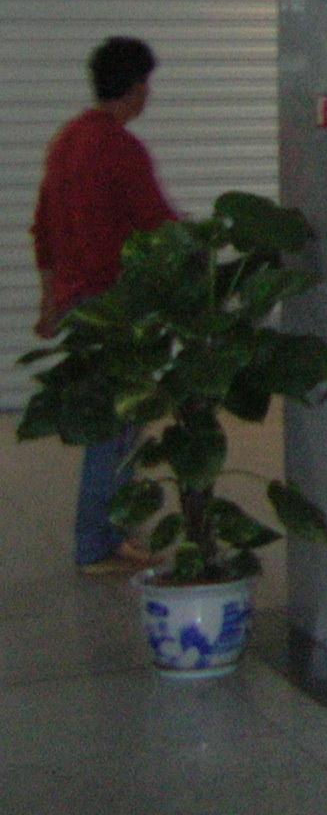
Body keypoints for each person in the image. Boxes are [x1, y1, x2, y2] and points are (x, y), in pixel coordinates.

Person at [31, 37, 177, 576]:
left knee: (109, 422)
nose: (148, 94)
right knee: (114, 429)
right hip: (114, 303)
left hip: (79, 303)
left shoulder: (67, 141)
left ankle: (109, 532)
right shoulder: (119, 148)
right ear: (135, 88)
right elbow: (158, 225)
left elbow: (43, 227)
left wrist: (51, 299)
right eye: (147, 85)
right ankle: (97, 543)